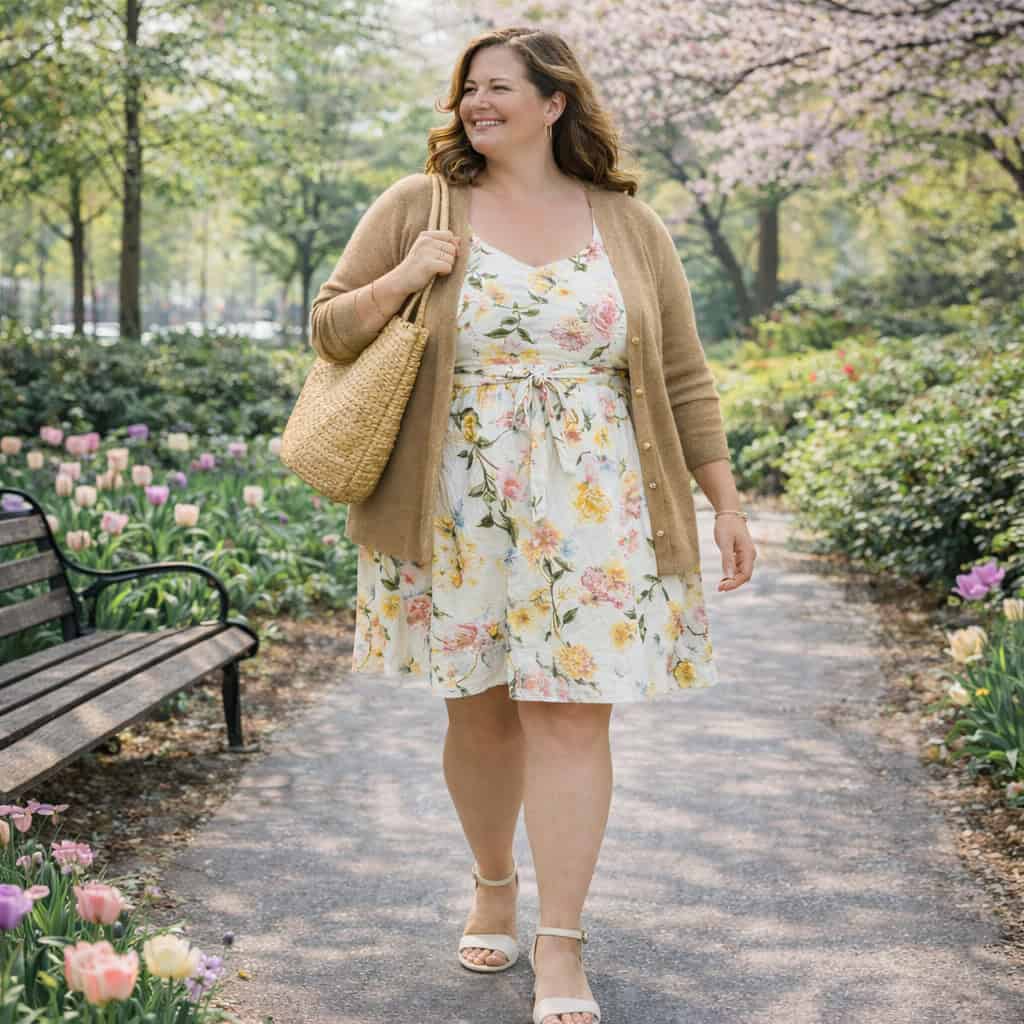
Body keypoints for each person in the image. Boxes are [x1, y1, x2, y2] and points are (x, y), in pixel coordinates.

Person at [308, 25, 757, 1024]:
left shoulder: (628, 226)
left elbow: (682, 374)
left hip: (600, 506)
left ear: (556, 102)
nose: (476, 104)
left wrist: (722, 500)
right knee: (480, 709)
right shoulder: (418, 205)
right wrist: (404, 277)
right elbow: (331, 326)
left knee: (570, 712)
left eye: (498, 88)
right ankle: (491, 881)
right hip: (457, 500)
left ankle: (562, 941)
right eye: (468, 89)